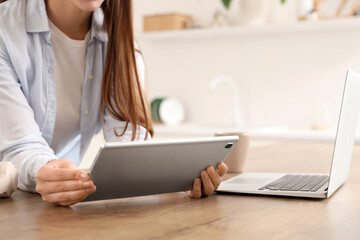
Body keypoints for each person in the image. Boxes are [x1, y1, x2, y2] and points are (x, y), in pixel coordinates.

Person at [0, 0, 228, 206]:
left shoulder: (119, 42)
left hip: (60, 207)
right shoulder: (5, 29)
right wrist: (44, 171)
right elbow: (19, 147)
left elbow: (130, 146)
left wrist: (177, 181)